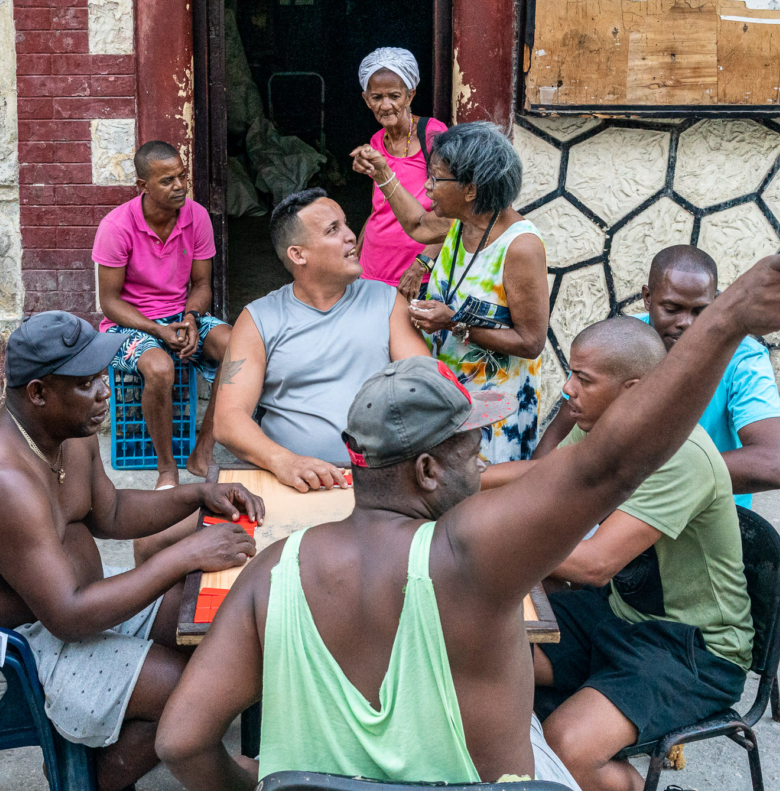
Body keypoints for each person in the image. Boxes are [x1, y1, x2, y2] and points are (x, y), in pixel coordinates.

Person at [154, 249, 780, 791]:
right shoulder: (475, 562)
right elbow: (609, 467)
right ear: (426, 470)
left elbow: (181, 741)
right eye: (469, 447)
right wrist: (725, 321)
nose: (482, 460)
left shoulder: (271, 572)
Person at [0, 311, 263, 791]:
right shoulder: (0, 477)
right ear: (39, 392)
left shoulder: (68, 434)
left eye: (101, 377)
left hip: (72, 610)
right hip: (7, 650)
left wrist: (194, 497)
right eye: (86, 383)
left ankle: (86, 777)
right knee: (191, 690)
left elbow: (110, 512)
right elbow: (66, 614)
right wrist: (183, 554)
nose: (103, 393)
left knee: (214, 635)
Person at [486, 316, 754, 791]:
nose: (568, 389)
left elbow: (596, 563)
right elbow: (543, 477)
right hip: (621, 614)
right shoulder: (609, 425)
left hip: (693, 648)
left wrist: (478, 534)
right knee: (488, 653)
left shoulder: (680, 456)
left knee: (568, 745)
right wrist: (453, 484)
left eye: (583, 378)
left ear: (632, 389)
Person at [353, 121, 549, 464]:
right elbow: (416, 225)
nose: (427, 188)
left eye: (436, 179)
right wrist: (383, 172)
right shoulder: (461, 222)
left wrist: (453, 324)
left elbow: (531, 342)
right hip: (446, 400)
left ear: (471, 190)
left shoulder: (520, 247)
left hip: (494, 414)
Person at [534, 245, 780, 509]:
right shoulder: (623, 341)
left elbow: (771, 466)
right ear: (647, 297)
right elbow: (559, 432)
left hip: (703, 503)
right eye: (672, 308)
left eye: (700, 311)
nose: (686, 323)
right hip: (621, 499)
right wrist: (531, 496)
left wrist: (630, 471)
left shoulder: (744, 359)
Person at [213, 187, 430, 492]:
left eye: (345, 223)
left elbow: (424, 388)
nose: (352, 236)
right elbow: (228, 420)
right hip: (294, 484)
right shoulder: (259, 319)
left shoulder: (387, 302)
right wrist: (283, 461)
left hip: (381, 482)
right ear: (298, 254)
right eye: (333, 230)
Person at [94, 140, 230, 488]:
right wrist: (158, 330)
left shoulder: (196, 217)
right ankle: (167, 468)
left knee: (238, 346)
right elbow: (109, 303)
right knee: (159, 366)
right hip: (128, 326)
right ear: (143, 186)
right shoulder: (116, 226)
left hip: (180, 317)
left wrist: (192, 319)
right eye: (167, 180)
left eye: (182, 176)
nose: (180, 186)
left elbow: (201, 285)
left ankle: (202, 451)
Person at [351, 47, 447, 297]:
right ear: (366, 99)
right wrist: (356, 258)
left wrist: (421, 265)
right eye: (376, 97)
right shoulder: (375, 142)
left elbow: (454, 213)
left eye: (394, 95)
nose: (385, 105)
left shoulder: (433, 135)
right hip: (371, 267)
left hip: (415, 270)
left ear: (409, 95)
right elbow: (379, 208)